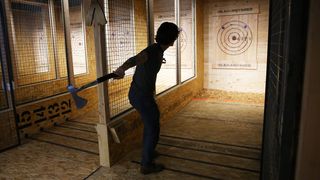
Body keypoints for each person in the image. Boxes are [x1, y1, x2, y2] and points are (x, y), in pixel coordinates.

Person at [113, 22, 180, 174]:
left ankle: (148, 151)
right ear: (172, 40)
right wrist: (121, 69)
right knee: (153, 127)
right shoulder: (153, 50)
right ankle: (146, 164)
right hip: (141, 96)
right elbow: (135, 59)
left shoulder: (158, 50)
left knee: (151, 124)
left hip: (142, 95)